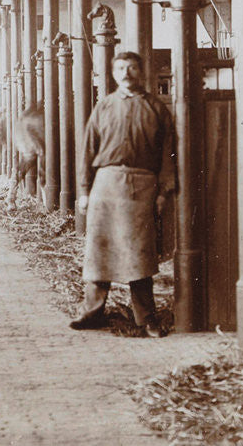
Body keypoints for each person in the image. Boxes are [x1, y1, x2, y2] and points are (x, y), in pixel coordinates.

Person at [69, 51, 176, 338]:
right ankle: (92, 312)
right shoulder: (103, 107)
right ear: (114, 73)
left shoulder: (156, 108)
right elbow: (87, 150)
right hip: (105, 183)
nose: (126, 73)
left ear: (141, 72)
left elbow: (168, 153)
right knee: (98, 249)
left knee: (139, 253)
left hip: (142, 185)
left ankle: (146, 318)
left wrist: (164, 191)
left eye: (131, 68)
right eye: (120, 68)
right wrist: (83, 191)